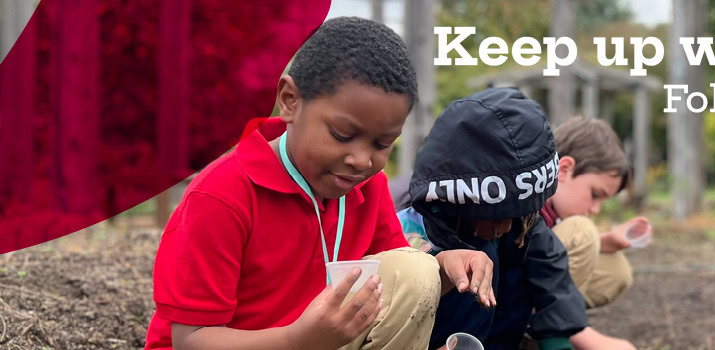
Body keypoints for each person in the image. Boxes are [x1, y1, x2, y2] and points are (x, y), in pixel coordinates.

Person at [144, 17, 493, 350]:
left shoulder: (364, 187)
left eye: (381, 144)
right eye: (342, 135)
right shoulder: (222, 196)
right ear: (290, 101)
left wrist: (446, 266)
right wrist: (299, 342)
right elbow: (189, 341)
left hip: (316, 342)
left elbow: (401, 284)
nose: (361, 160)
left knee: (417, 269)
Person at [401, 88, 587, 350]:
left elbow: (552, 275)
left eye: (517, 216)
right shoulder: (412, 228)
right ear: (457, 202)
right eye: (496, 217)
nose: (506, 226)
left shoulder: (519, 226)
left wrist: (557, 343)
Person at [544, 116, 643, 350]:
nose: (595, 209)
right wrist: (583, 337)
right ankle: (557, 334)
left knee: (615, 271)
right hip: (505, 300)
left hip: (532, 297)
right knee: (581, 230)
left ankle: (536, 334)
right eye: (595, 194)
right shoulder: (528, 203)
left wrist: (605, 241)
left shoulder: (555, 209)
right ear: (564, 169)